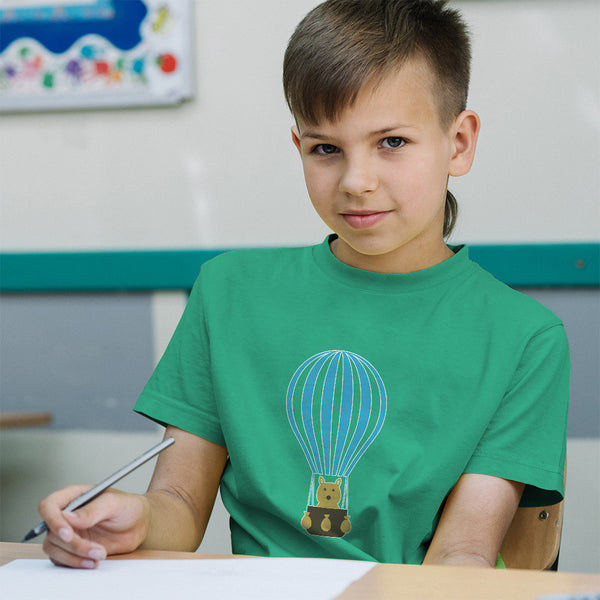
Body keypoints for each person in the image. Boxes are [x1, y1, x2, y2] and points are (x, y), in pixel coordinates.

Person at [38, 0, 569, 570]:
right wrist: (134, 518)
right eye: (326, 148)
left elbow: (462, 552)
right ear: (299, 148)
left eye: (391, 142)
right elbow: (180, 505)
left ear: (458, 143)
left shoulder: (525, 338)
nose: (355, 181)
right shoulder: (228, 293)